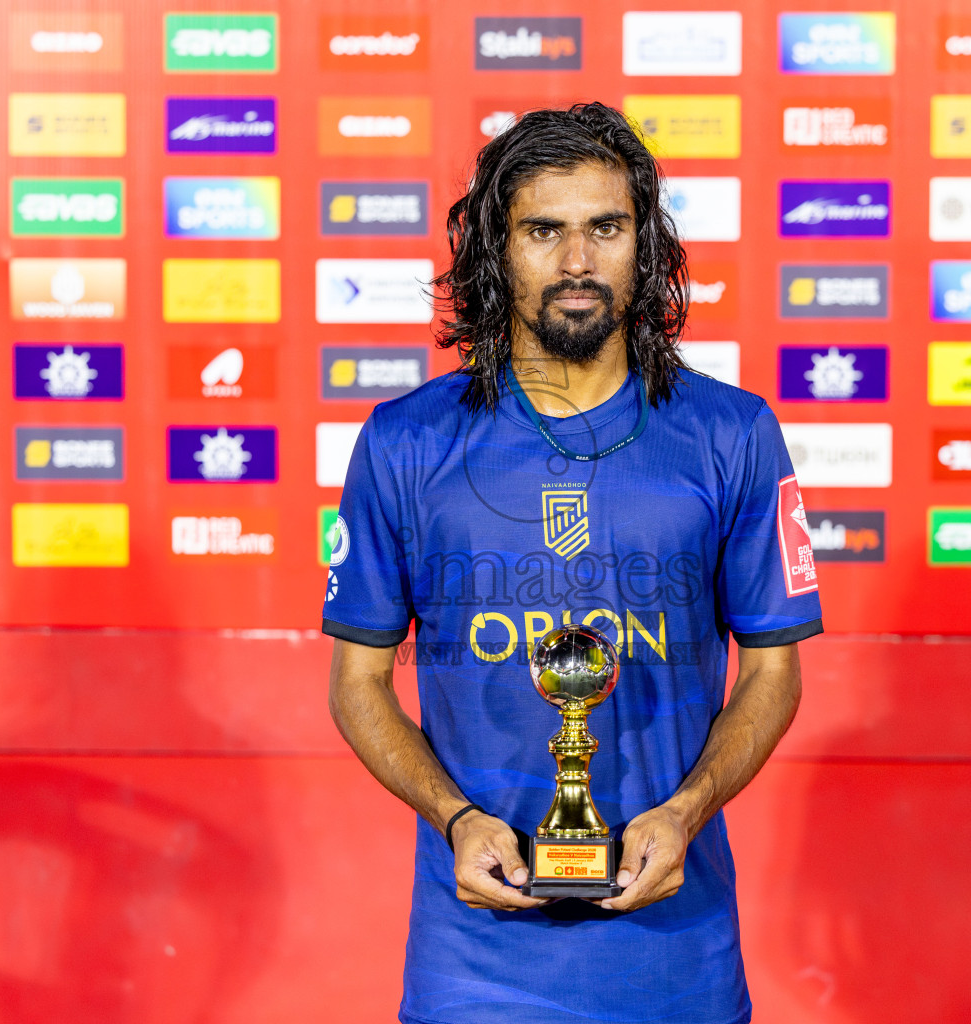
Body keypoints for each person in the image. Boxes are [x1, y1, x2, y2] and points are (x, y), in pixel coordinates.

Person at [324, 101, 824, 1024]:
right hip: (473, 968)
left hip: (678, 959)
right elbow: (357, 683)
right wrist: (456, 819)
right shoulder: (404, 444)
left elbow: (772, 670)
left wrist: (686, 813)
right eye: (543, 231)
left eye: (607, 227)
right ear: (495, 251)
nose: (578, 261)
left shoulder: (733, 433)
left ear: (648, 243)